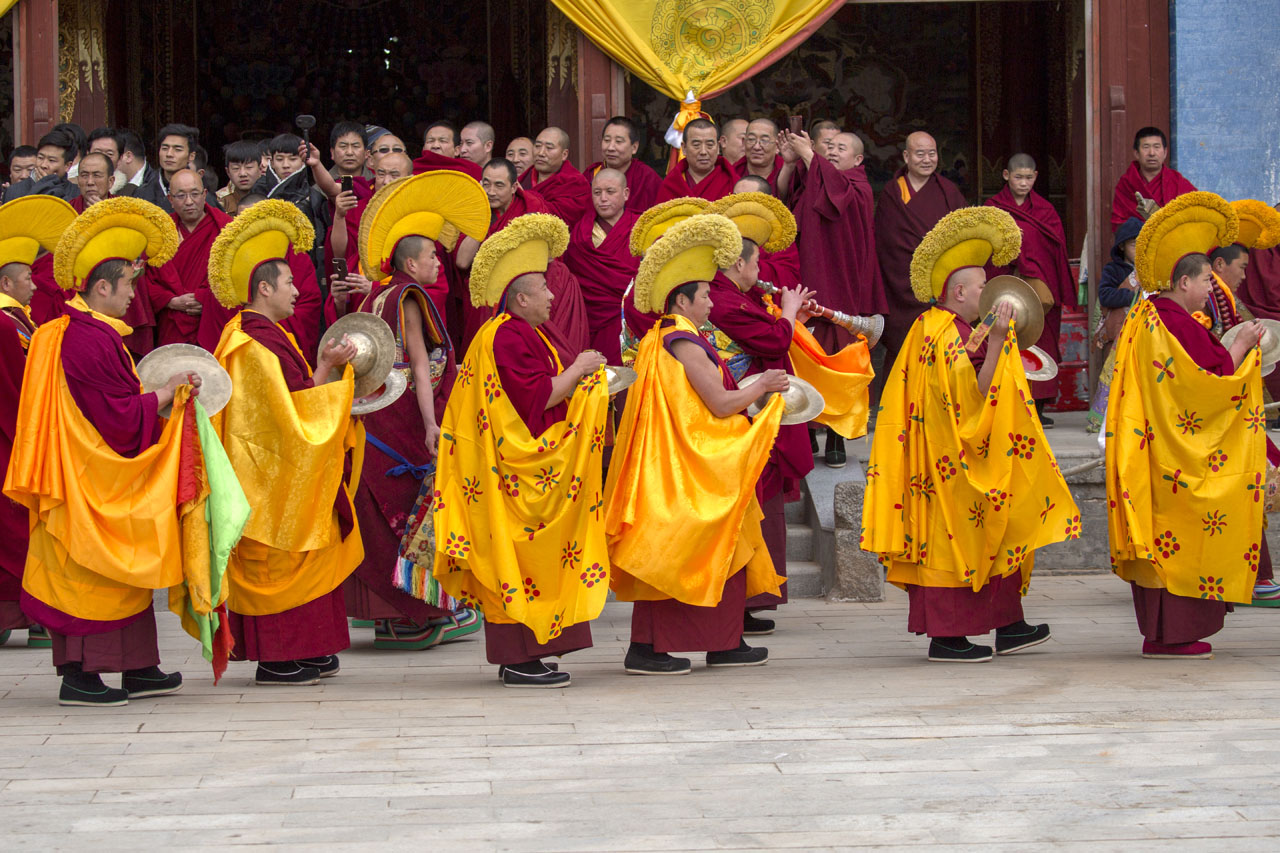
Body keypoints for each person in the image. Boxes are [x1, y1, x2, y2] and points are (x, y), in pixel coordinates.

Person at [3, 196, 207, 705]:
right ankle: (82, 675)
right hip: (87, 481)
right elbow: (114, 417)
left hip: (83, 476)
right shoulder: (84, 340)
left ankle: (139, 668)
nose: (134, 297)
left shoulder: (76, 331)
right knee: (95, 575)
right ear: (101, 288)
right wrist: (166, 394)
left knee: (117, 575)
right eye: (129, 286)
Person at [863, 206, 1077, 662]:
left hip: (957, 456)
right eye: (983, 286)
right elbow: (973, 399)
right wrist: (999, 340)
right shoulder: (942, 334)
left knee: (1002, 524)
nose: (990, 293)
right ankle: (947, 636)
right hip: (948, 465)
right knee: (964, 532)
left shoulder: (951, 327)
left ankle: (1009, 624)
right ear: (959, 292)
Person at [432, 213, 611, 687]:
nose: (554, 296)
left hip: (532, 466)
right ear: (521, 298)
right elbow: (536, 399)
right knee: (519, 559)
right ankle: (517, 660)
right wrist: (581, 368)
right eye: (544, 289)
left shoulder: (523, 332)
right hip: (518, 471)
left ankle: (534, 653)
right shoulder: (507, 335)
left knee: (534, 562)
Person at [606, 213, 786, 674]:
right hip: (692, 466)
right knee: (684, 550)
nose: (711, 302)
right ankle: (649, 649)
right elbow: (721, 403)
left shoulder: (662, 336)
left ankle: (724, 642)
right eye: (705, 295)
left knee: (711, 548)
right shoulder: (683, 341)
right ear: (683, 300)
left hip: (686, 459)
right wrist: (762, 384)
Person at [1106, 192, 1274, 656]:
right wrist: (1241, 346)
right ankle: (1172, 635)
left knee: (1166, 538)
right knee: (1182, 535)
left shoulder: (1152, 315)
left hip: (1153, 449)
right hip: (1175, 455)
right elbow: (1206, 383)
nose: (1211, 288)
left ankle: (1163, 634)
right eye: (1205, 280)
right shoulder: (1171, 320)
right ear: (1184, 282)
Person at [209, 200, 363, 685]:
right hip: (270, 480)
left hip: (289, 472)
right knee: (281, 555)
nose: (300, 290)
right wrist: (331, 382)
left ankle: (310, 646)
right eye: (291, 282)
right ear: (264, 289)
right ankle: (276, 658)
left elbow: (293, 398)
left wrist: (323, 368)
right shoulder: (249, 344)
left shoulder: (269, 333)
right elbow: (282, 422)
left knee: (311, 550)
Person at [344, 169, 489, 649]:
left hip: (377, 414)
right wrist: (430, 422)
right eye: (432, 257)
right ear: (411, 261)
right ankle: (417, 613)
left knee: (385, 511)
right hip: (402, 418)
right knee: (409, 511)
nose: (438, 265)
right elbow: (418, 365)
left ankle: (389, 616)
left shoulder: (378, 292)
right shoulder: (407, 297)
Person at [700, 193, 816, 632]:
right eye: (755, 265)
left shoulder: (734, 297)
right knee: (752, 508)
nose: (759, 273)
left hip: (755, 410)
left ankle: (749, 601)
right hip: (741, 414)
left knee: (762, 507)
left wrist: (786, 316)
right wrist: (785, 315)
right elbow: (772, 343)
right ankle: (742, 600)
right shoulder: (723, 300)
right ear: (735, 266)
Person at [0, 195, 77, 650]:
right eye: (28, 278)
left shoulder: (19, 319)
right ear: (8, 281)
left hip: (19, 433)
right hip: (11, 436)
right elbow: (12, 389)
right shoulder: (6, 326)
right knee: (13, 526)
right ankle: (26, 613)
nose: (35, 284)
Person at [984, 153, 1077, 427]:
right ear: (1006, 176)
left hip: (1040, 291)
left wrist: (1047, 280)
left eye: (1028, 177)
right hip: (1007, 286)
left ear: (1035, 176)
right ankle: (1008, 403)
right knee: (1006, 341)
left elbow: (1056, 252)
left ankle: (1038, 405)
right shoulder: (993, 209)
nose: (1023, 183)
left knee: (1042, 343)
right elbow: (988, 249)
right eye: (1017, 177)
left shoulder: (1046, 211)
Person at [875, 131, 966, 376]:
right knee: (903, 349)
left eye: (932, 153)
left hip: (942, 285)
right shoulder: (892, 194)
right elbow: (886, 245)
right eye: (920, 153)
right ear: (906, 156)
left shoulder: (949, 192)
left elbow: (963, 238)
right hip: (901, 287)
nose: (927, 159)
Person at [561, 167, 640, 364]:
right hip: (591, 320)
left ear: (626, 193)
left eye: (610, 192)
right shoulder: (580, 234)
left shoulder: (642, 228)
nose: (602, 198)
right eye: (597, 192)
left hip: (632, 319)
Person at [147, 169, 232, 347]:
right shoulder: (159, 234)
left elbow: (237, 278)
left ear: (205, 194)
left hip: (212, 325)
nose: (189, 202)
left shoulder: (226, 229)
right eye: (181, 196)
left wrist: (206, 299)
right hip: (171, 324)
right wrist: (170, 301)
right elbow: (146, 281)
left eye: (194, 194)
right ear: (170, 200)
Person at [1110, 127, 1196, 231]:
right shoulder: (1126, 184)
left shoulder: (1177, 182)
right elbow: (1119, 224)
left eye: (1156, 147)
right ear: (1136, 153)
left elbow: (1194, 215)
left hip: (1173, 242)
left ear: (1165, 152)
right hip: (1137, 242)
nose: (1151, 153)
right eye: (1146, 147)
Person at [518, 127, 591, 226]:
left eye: (549, 148)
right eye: (537, 146)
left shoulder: (575, 183)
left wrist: (526, 198)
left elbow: (560, 221)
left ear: (564, 154)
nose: (541, 153)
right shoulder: (523, 178)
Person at [586, 117, 661, 213]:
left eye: (618, 141)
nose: (611, 147)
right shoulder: (592, 175)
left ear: (634, 147)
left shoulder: (647, 178)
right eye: (607, 140)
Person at [656, 119, 737, 203]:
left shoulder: (731, 181)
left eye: (709, 145)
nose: (703, 152)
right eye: (696, 145)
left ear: (718, 147)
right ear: (684, 148)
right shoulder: (672, 185)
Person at [3, 128, 80, 202]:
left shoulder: (77, 193)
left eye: (51, 160)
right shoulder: (14, 191)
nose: (43, 165)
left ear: (67, 166)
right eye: (40, 157)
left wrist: (49, 187)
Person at [414, 121, 482, 180]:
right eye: (430, 141)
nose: (435, 146)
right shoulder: (412, 169)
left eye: (443, 141)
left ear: (456, 150)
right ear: (423, 148)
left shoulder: (472, 170)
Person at [733, 119, 784, 194]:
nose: (757, 147)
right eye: (751, 139)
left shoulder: (787, 173)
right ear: (744, 142)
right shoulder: (732, 173)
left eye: (764, 140)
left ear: (777, 146)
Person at [217, 140, 265, 216]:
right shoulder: (219, 199)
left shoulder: (270, 194)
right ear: (228, 172)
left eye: (249, 167)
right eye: (236, 168)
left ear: (260, 169)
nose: (242, 174)